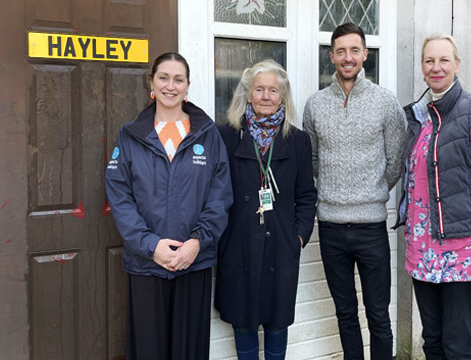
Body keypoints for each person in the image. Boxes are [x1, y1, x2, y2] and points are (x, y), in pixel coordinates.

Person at [105, 52, 233, 360]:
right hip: (147, 264)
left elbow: (220, 195)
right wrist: (151, 246)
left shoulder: (207, 134)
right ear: (151, 83)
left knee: (189, 350)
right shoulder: (131, 134)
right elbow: (119, 195)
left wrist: (197, 243)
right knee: (149, 350)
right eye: (163, 77)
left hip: (194, 262)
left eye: (178, 79)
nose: (170, 86)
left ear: (188, 86)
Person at [394, 35, 471, 359]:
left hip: (463, 256)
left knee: (458, 346)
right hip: (422, 254)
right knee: (432, 341)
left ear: (457, 64)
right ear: (422, 67)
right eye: (429, 61)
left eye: (444, 60)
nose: (436, 67)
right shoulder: (419, 117)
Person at [303, 23, 405, 360]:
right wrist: (334, 189)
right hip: (330, 227)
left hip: (371, 226)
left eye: (354, 50)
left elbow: (396, 160)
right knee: (345, 314)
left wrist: (372, 190)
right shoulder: (315, 105)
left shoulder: (385, 102)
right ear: (331, 56)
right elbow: (314, 160)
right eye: (341, 51)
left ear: (365, 55)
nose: (348, 58)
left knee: (378, 315)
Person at [215, 59, 317, 359]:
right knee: (243, 323)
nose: (266, 96)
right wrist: (222, 237)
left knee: (276, 324)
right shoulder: (226, 136)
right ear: (247, 95)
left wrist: (297, 238)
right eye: (259, 89)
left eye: (273, 90)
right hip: (238, 245)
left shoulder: (297, 140)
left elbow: (307, 196)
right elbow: (214, 193)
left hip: (281, 246)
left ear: (282, 97)